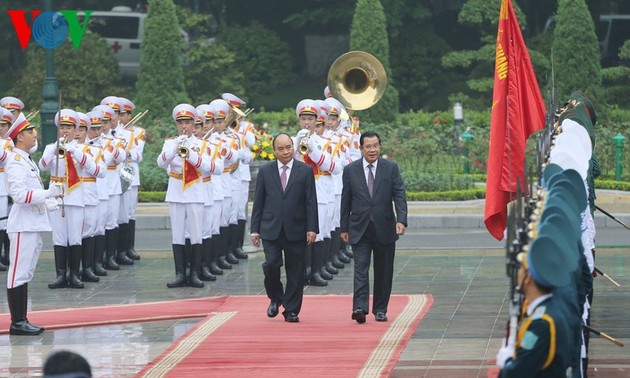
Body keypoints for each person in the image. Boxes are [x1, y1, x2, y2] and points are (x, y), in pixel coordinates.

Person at [340, 131, 407, 323]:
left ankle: (380, 309)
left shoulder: (390, 168)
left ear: (380, 146)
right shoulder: (351, 170)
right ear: (360, 148)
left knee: (383, 271)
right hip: (359, 227)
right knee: (360, 269)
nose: (372, 150)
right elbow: (345, 200)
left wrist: (401, 220)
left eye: (375, 145)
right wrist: (344, 227)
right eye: (368, 146)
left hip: (385, 228)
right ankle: (359, 308)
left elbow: (399, 195)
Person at [250, 133, 318, 323]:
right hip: (270, 228)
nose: (286, 151)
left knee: (295, 270)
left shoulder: (304, 171)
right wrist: (254, 229)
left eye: (288, 147)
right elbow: (259, 202)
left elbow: (311, 201)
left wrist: (312, 228)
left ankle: (291, 309)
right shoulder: (265, 171)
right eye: (281, 149)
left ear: (293, 147)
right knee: (271, 265)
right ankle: (275, 297)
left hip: (297, 228)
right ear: (274, 151)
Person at [5, 113, 62, 335]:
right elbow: (19, 195)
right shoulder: (15, 161)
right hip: (23, 225)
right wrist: (47, 193)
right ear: (20, 137)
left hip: (33, 223)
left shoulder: (26, 160)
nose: (35, 134)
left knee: (26, 272)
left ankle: (22, 318)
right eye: (30, 132)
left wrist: (48, 202)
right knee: (18, 272)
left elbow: (31, 194)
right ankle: (17, 322)